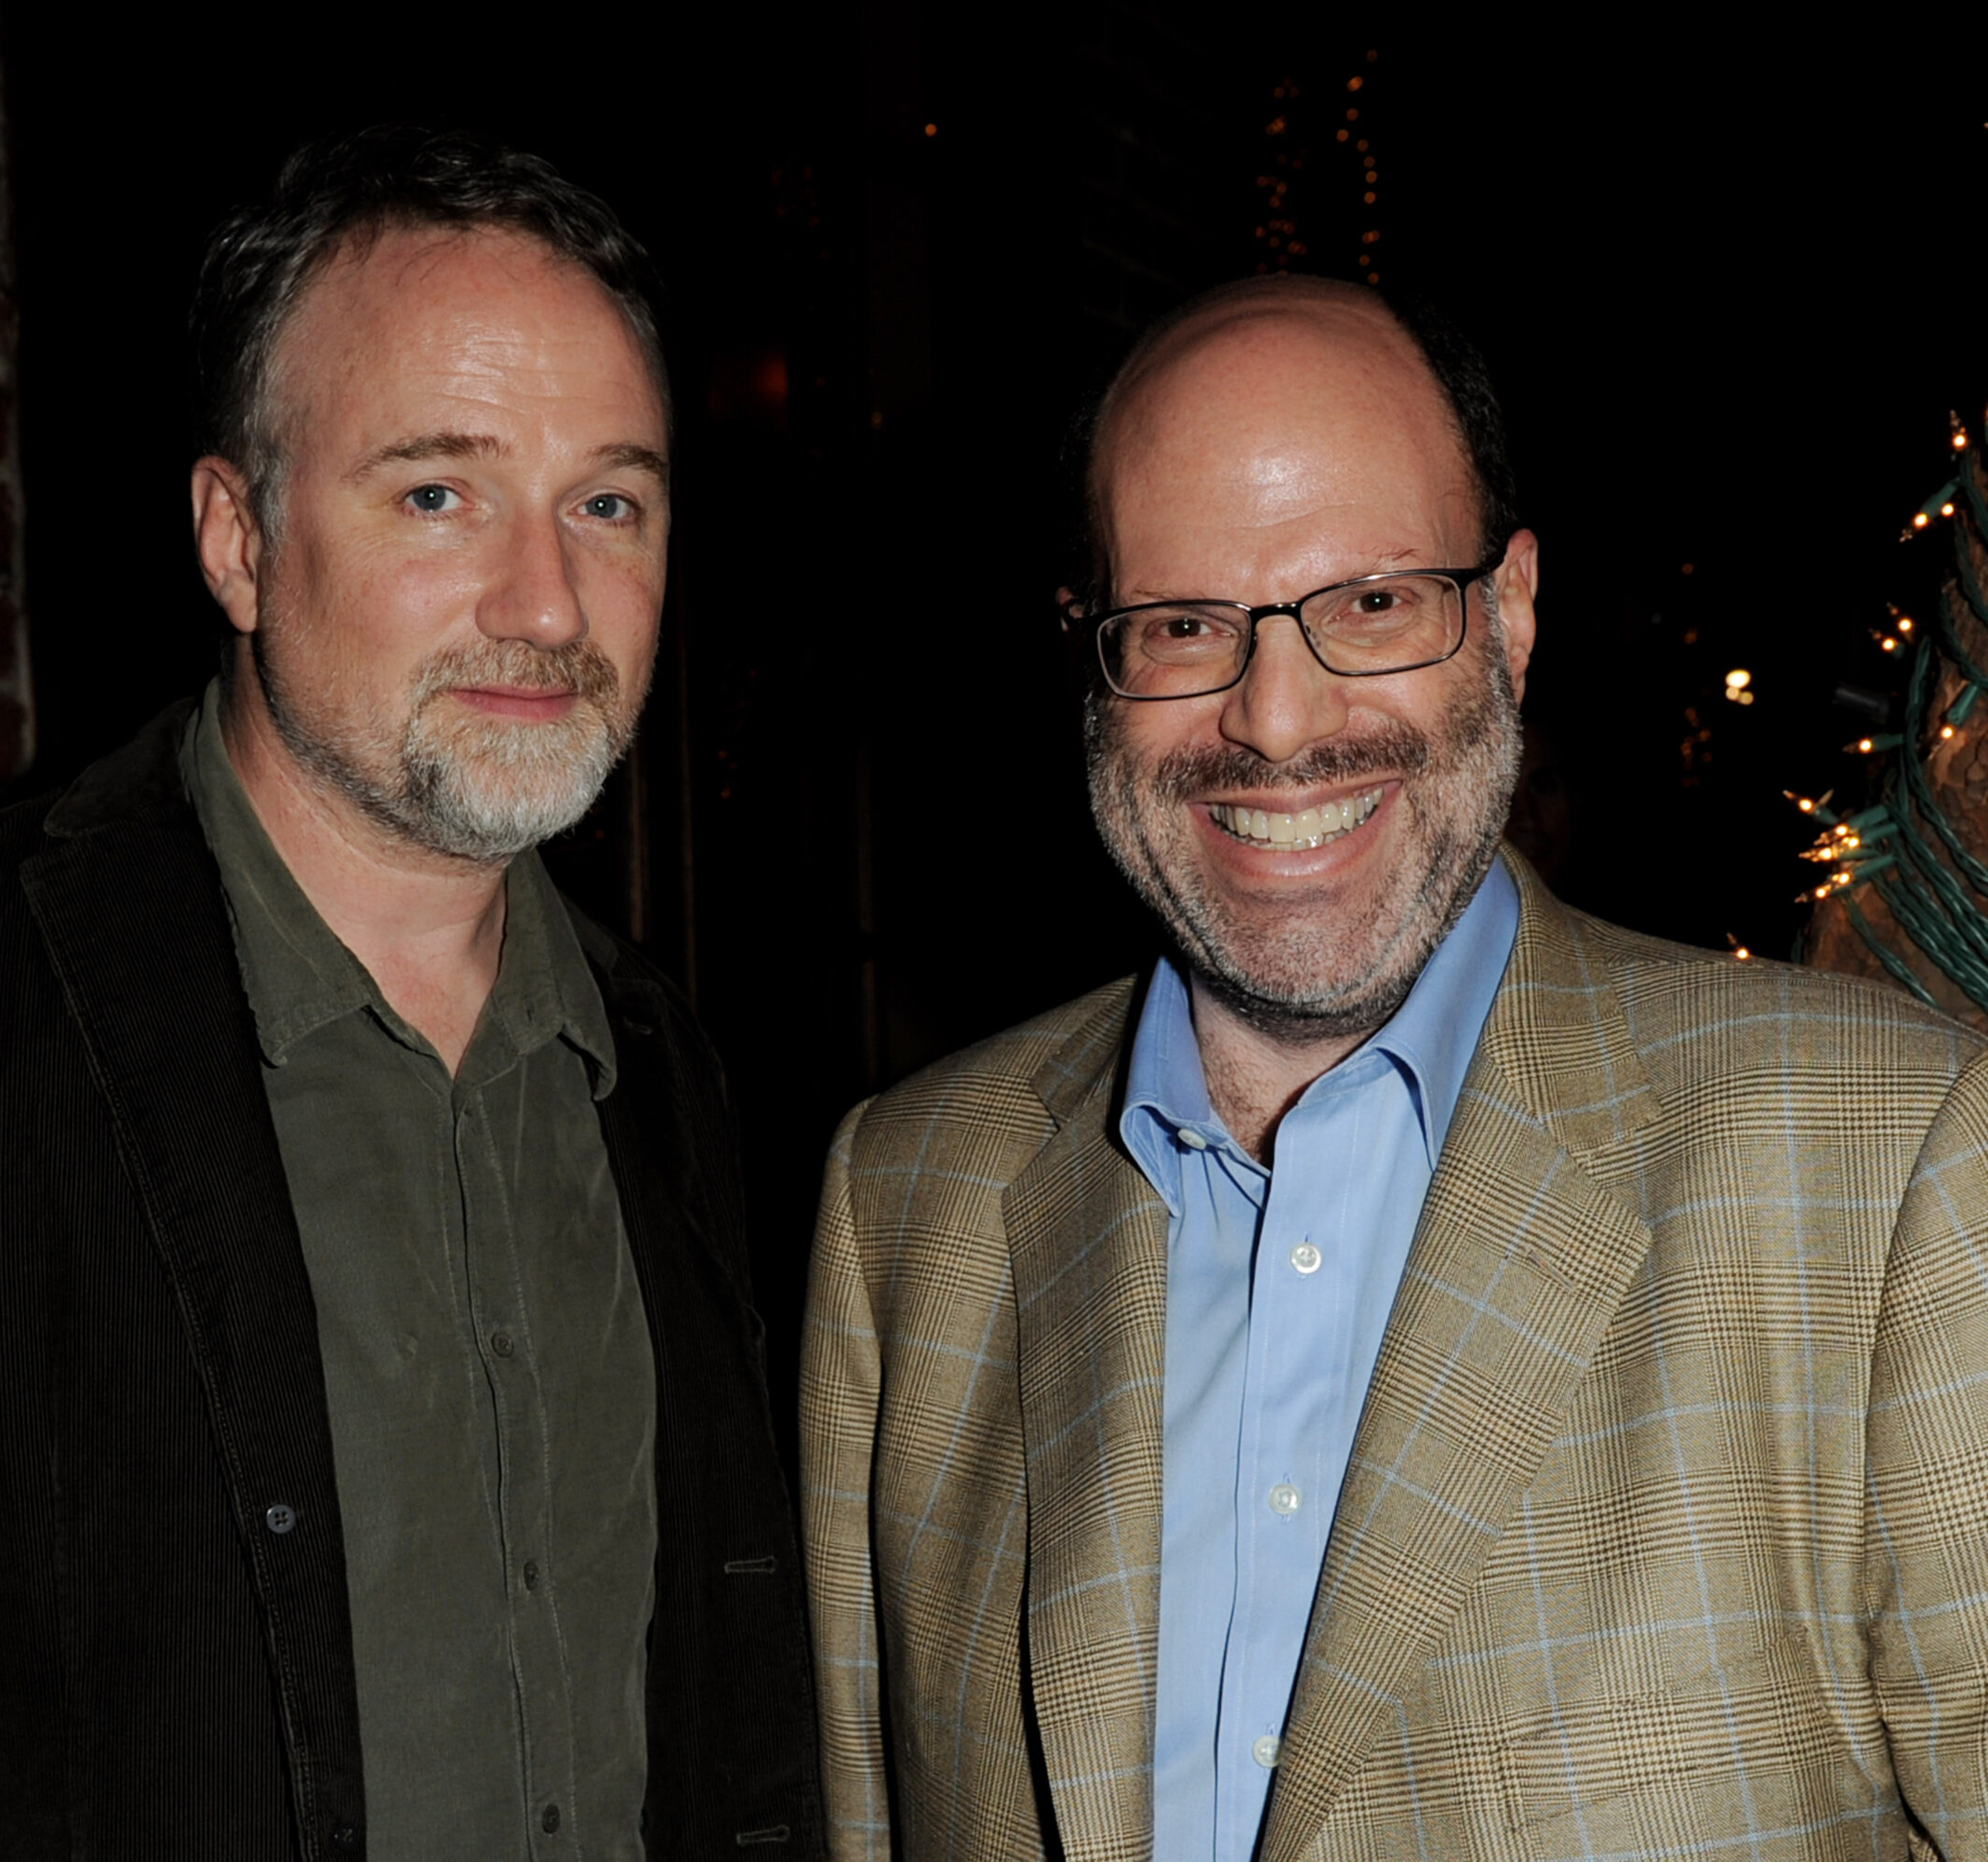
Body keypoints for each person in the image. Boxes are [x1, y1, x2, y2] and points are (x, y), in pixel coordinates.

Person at [0, 128, 820, 1861]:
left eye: (607, 502)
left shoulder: (662, 1063)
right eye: (437, 491)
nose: (548, 600)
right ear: (236, 538)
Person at [800, 275, 1988, 1861]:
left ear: (1508, 612)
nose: (1276, 721)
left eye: (1372, 603)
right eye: (1183, 625)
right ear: (1092, 657)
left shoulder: (1897, 1159)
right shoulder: (906, 1204)